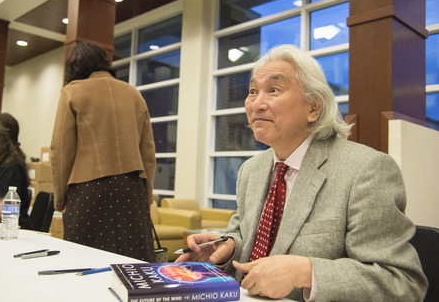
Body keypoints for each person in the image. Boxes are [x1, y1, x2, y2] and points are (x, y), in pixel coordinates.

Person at [176, 45, 427, 301]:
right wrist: (226, 250)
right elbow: (244, 237)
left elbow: (403, 283)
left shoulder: (366, 170)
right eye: (252, 91)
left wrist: (306, 272)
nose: (257, 104)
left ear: (313, 108)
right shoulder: (251, 170)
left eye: (273, 90)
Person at [51, 42, 156, 262]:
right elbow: (147, 151)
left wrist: (60, 200)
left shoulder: (72, 92)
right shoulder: (133, 93)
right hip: (131, 189)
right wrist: (146, 196)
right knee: (133, 262)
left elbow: (61, 152)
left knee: (84, 262)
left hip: (87, 190)